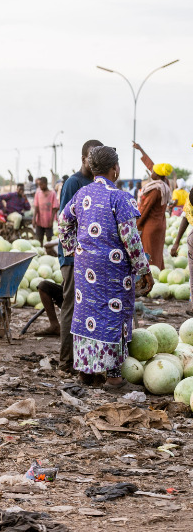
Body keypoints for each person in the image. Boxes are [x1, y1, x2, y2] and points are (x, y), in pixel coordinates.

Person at [58, 145, 153, 389]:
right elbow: (131, 239)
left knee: (87, 313)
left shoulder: (82, 194)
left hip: (85, 267)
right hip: (113, 270)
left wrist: (74, 248)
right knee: (113, 314)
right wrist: (144, 270)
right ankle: (114, 378)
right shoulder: (120, 198)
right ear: (115, 168)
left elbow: (63, 222)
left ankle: (85, 373)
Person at [57, 139, 104, 373]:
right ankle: (66, 361)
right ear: (83, 159)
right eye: (91, 158)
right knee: (71, 306)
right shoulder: (73, 183)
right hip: (74, 257)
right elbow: (64, 221)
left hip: (90, 258)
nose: (94, 163)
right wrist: (73, 253)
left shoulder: (97, 182)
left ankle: (83, 359)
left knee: (87, 308)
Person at [133, 142, 170, 269]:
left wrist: (135, 225)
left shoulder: (155, 189)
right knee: (157, 253)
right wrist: (141, 150)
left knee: (149, 254)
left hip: (150, 226)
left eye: (153, 171)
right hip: (160, 224)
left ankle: (151, 277)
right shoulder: (165, 184)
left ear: (157, 175)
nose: (151, 172)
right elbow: (152, 165)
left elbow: (144, 210)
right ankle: (158, 273)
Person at [33, 176, 60, 242]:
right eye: (39, 185)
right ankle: (41, 247)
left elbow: (54, 208)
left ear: (46, 183)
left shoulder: (52, 193)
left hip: (48, 220)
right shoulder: (38, 193)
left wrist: (51, 220)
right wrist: (34, 218)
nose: (40, 186)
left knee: (49, 238)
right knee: (39, 237)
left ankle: (48, 248)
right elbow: (36, 207)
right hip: (39, 220)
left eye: (41, 185)